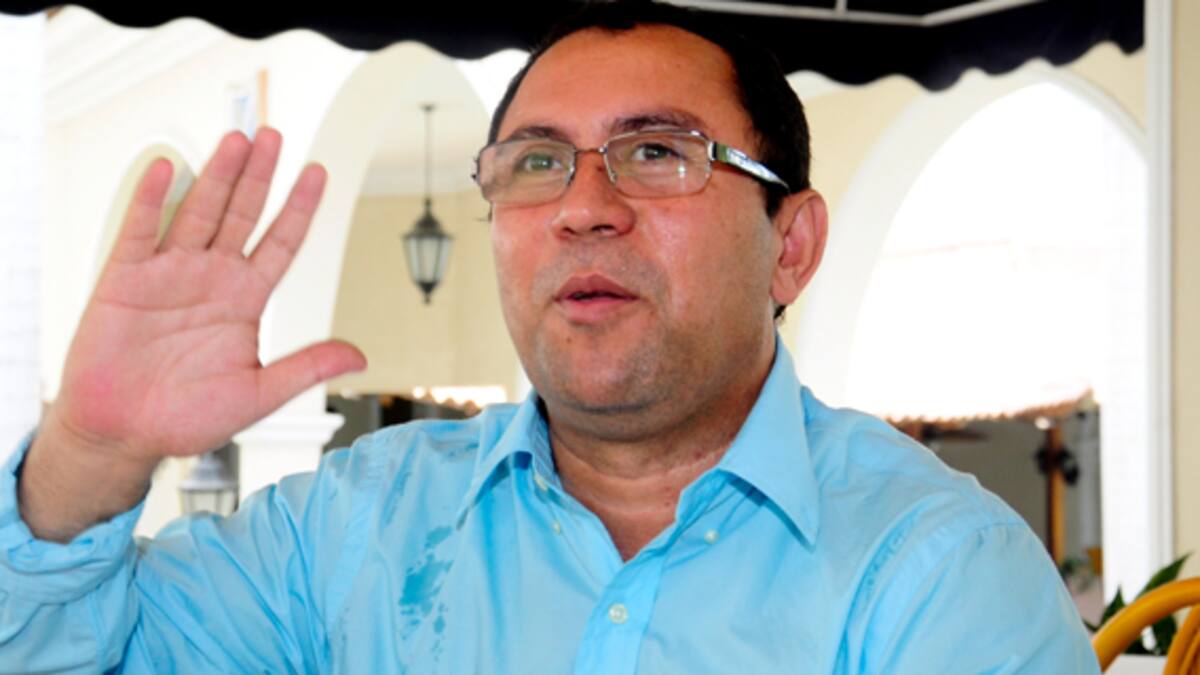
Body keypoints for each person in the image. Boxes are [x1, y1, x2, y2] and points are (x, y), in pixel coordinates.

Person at [0, 2, 1099, 672]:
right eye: (535, 162)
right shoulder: (350, 534)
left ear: (792, 246)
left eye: (657, 153)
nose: (582, 206)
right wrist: (90, 455)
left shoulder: (937, 574)